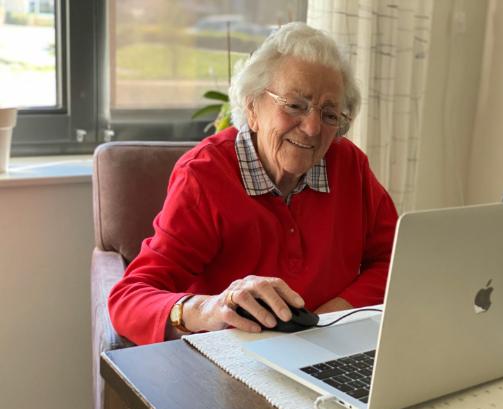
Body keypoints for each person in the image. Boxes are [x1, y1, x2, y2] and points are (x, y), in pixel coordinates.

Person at [108, 22, 398, 346]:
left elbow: (397, 260)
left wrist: (328, 319)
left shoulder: (350, 166)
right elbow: (129, 298)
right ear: (252, 106)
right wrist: (210, 308)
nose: (313, 128)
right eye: (295, 105)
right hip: (234, 356)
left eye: (329, 115)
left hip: (329, 349)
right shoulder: (204, 177)